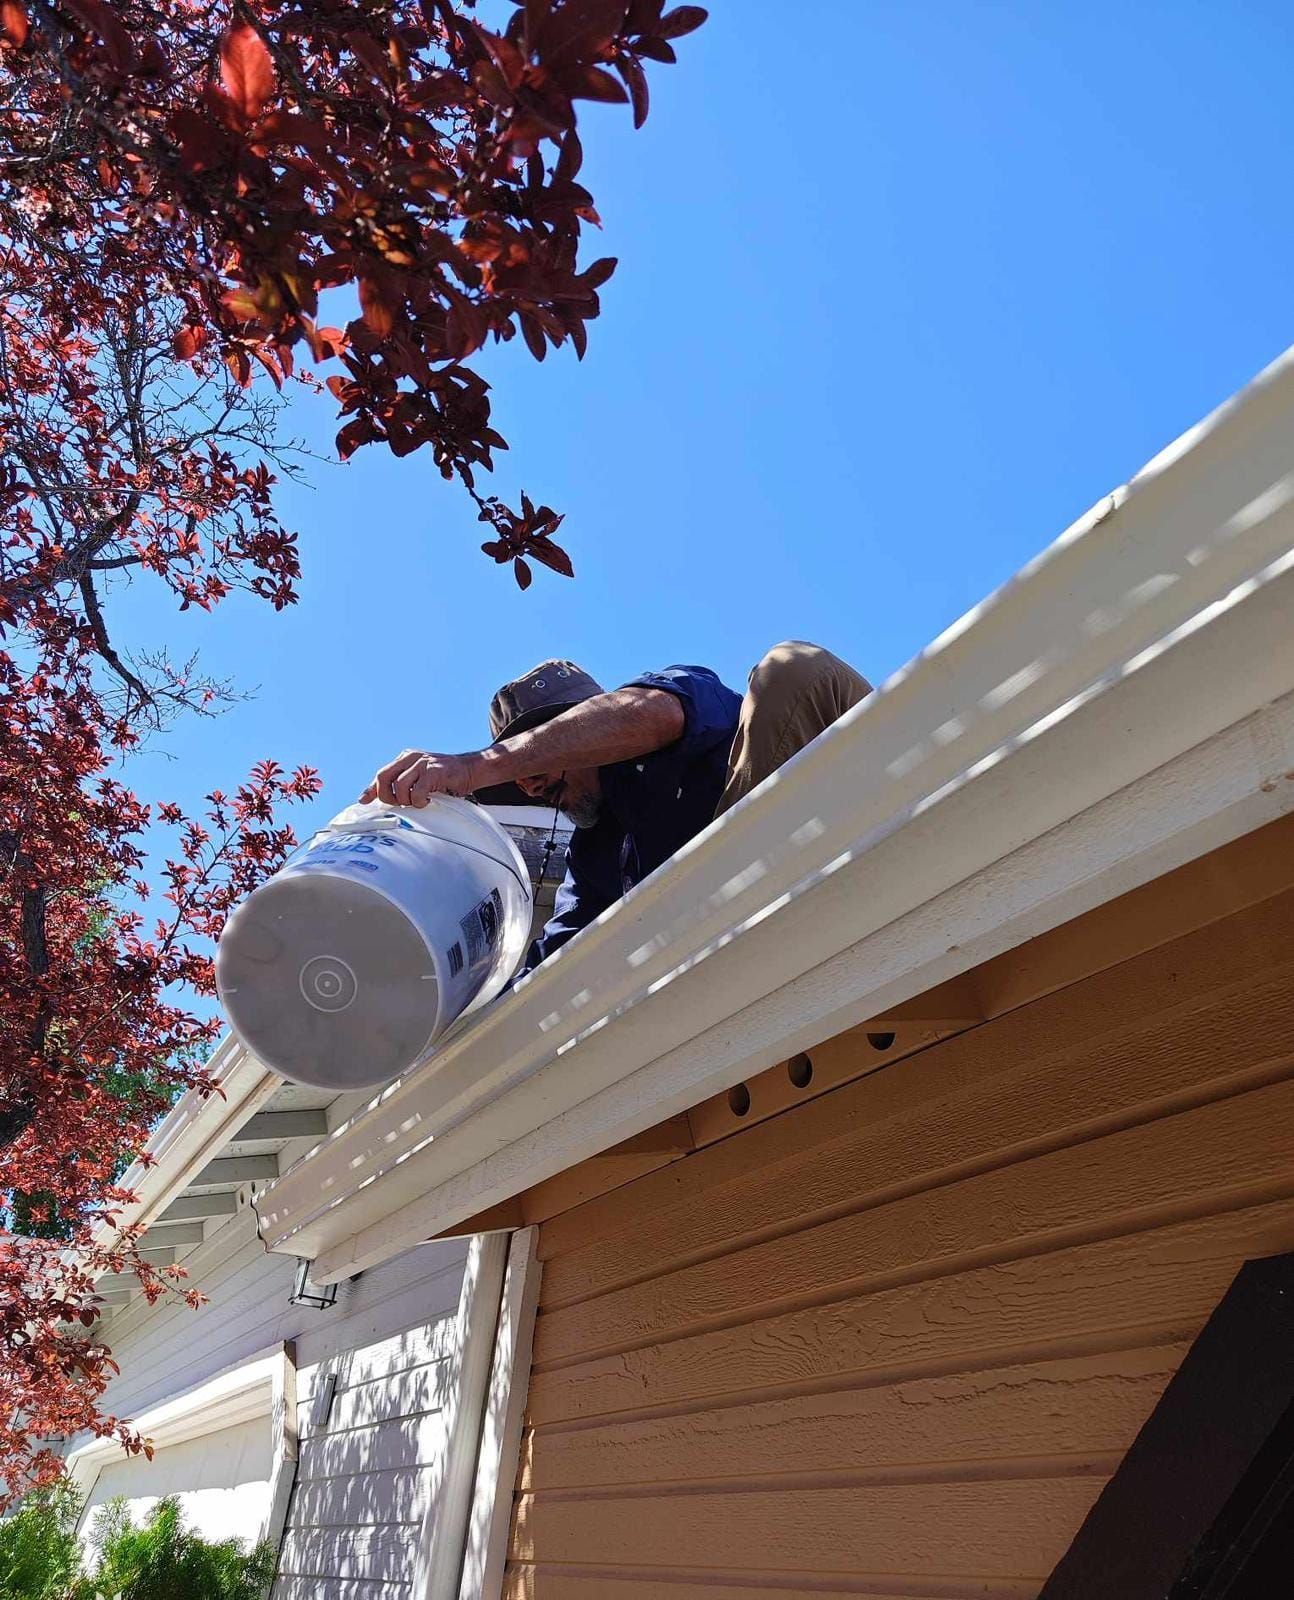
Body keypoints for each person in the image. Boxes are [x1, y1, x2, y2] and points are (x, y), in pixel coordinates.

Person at [361, 642, 871, 972]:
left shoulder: (678, 704)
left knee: (795, 670)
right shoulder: (594, 857)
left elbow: (653, 713)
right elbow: (555, 962)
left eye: (539, 760)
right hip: (725, 954)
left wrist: (478, 768)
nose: (532, 788)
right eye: (520, 782)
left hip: (831, 843)